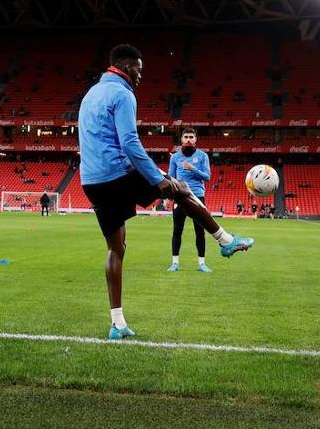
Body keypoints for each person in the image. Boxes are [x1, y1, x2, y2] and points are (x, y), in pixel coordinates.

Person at [78, 44, 252, 340]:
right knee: (181, 188)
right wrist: (155, 178)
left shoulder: (91, 93)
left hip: (91, 179)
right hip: (117, 171)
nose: (141, 75)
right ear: (127, 66)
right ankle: (225, 240)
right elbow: (129, 142)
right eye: (139, 69)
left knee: (116, 248)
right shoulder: (123, 93)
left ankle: (117, 323)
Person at [167, 128, 213, 273]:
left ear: (195, 139)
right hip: (180, 197)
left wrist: (193, 169)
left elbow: (207, 177)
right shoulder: (175, 157)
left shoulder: (203, 156)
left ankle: (202, 264)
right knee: (177, 230)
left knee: (199, 231)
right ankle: (174, 263)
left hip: (197, 196)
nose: (188, 139)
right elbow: (170, 178)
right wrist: (170, 198)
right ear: (181, 140)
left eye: (191, 137)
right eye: (185, 136)